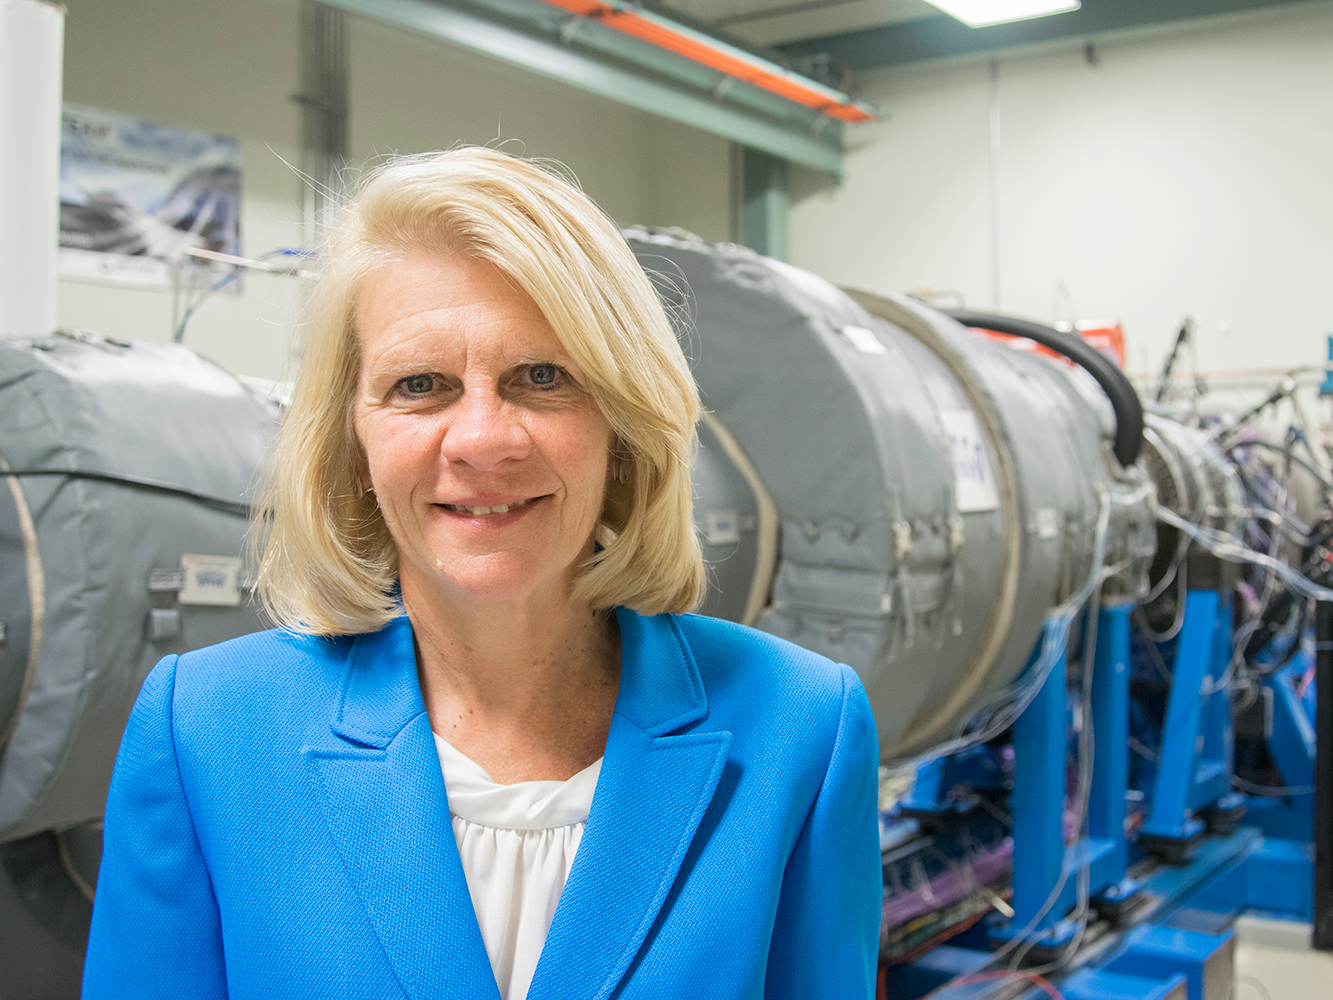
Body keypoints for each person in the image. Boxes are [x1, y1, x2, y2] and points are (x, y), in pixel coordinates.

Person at [82, 147, 882, 999]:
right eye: (419, 384)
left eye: (542, 377)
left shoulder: (801, 727)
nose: (482, 439)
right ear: (351, 441)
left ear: (623, 422)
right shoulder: (205, 732)